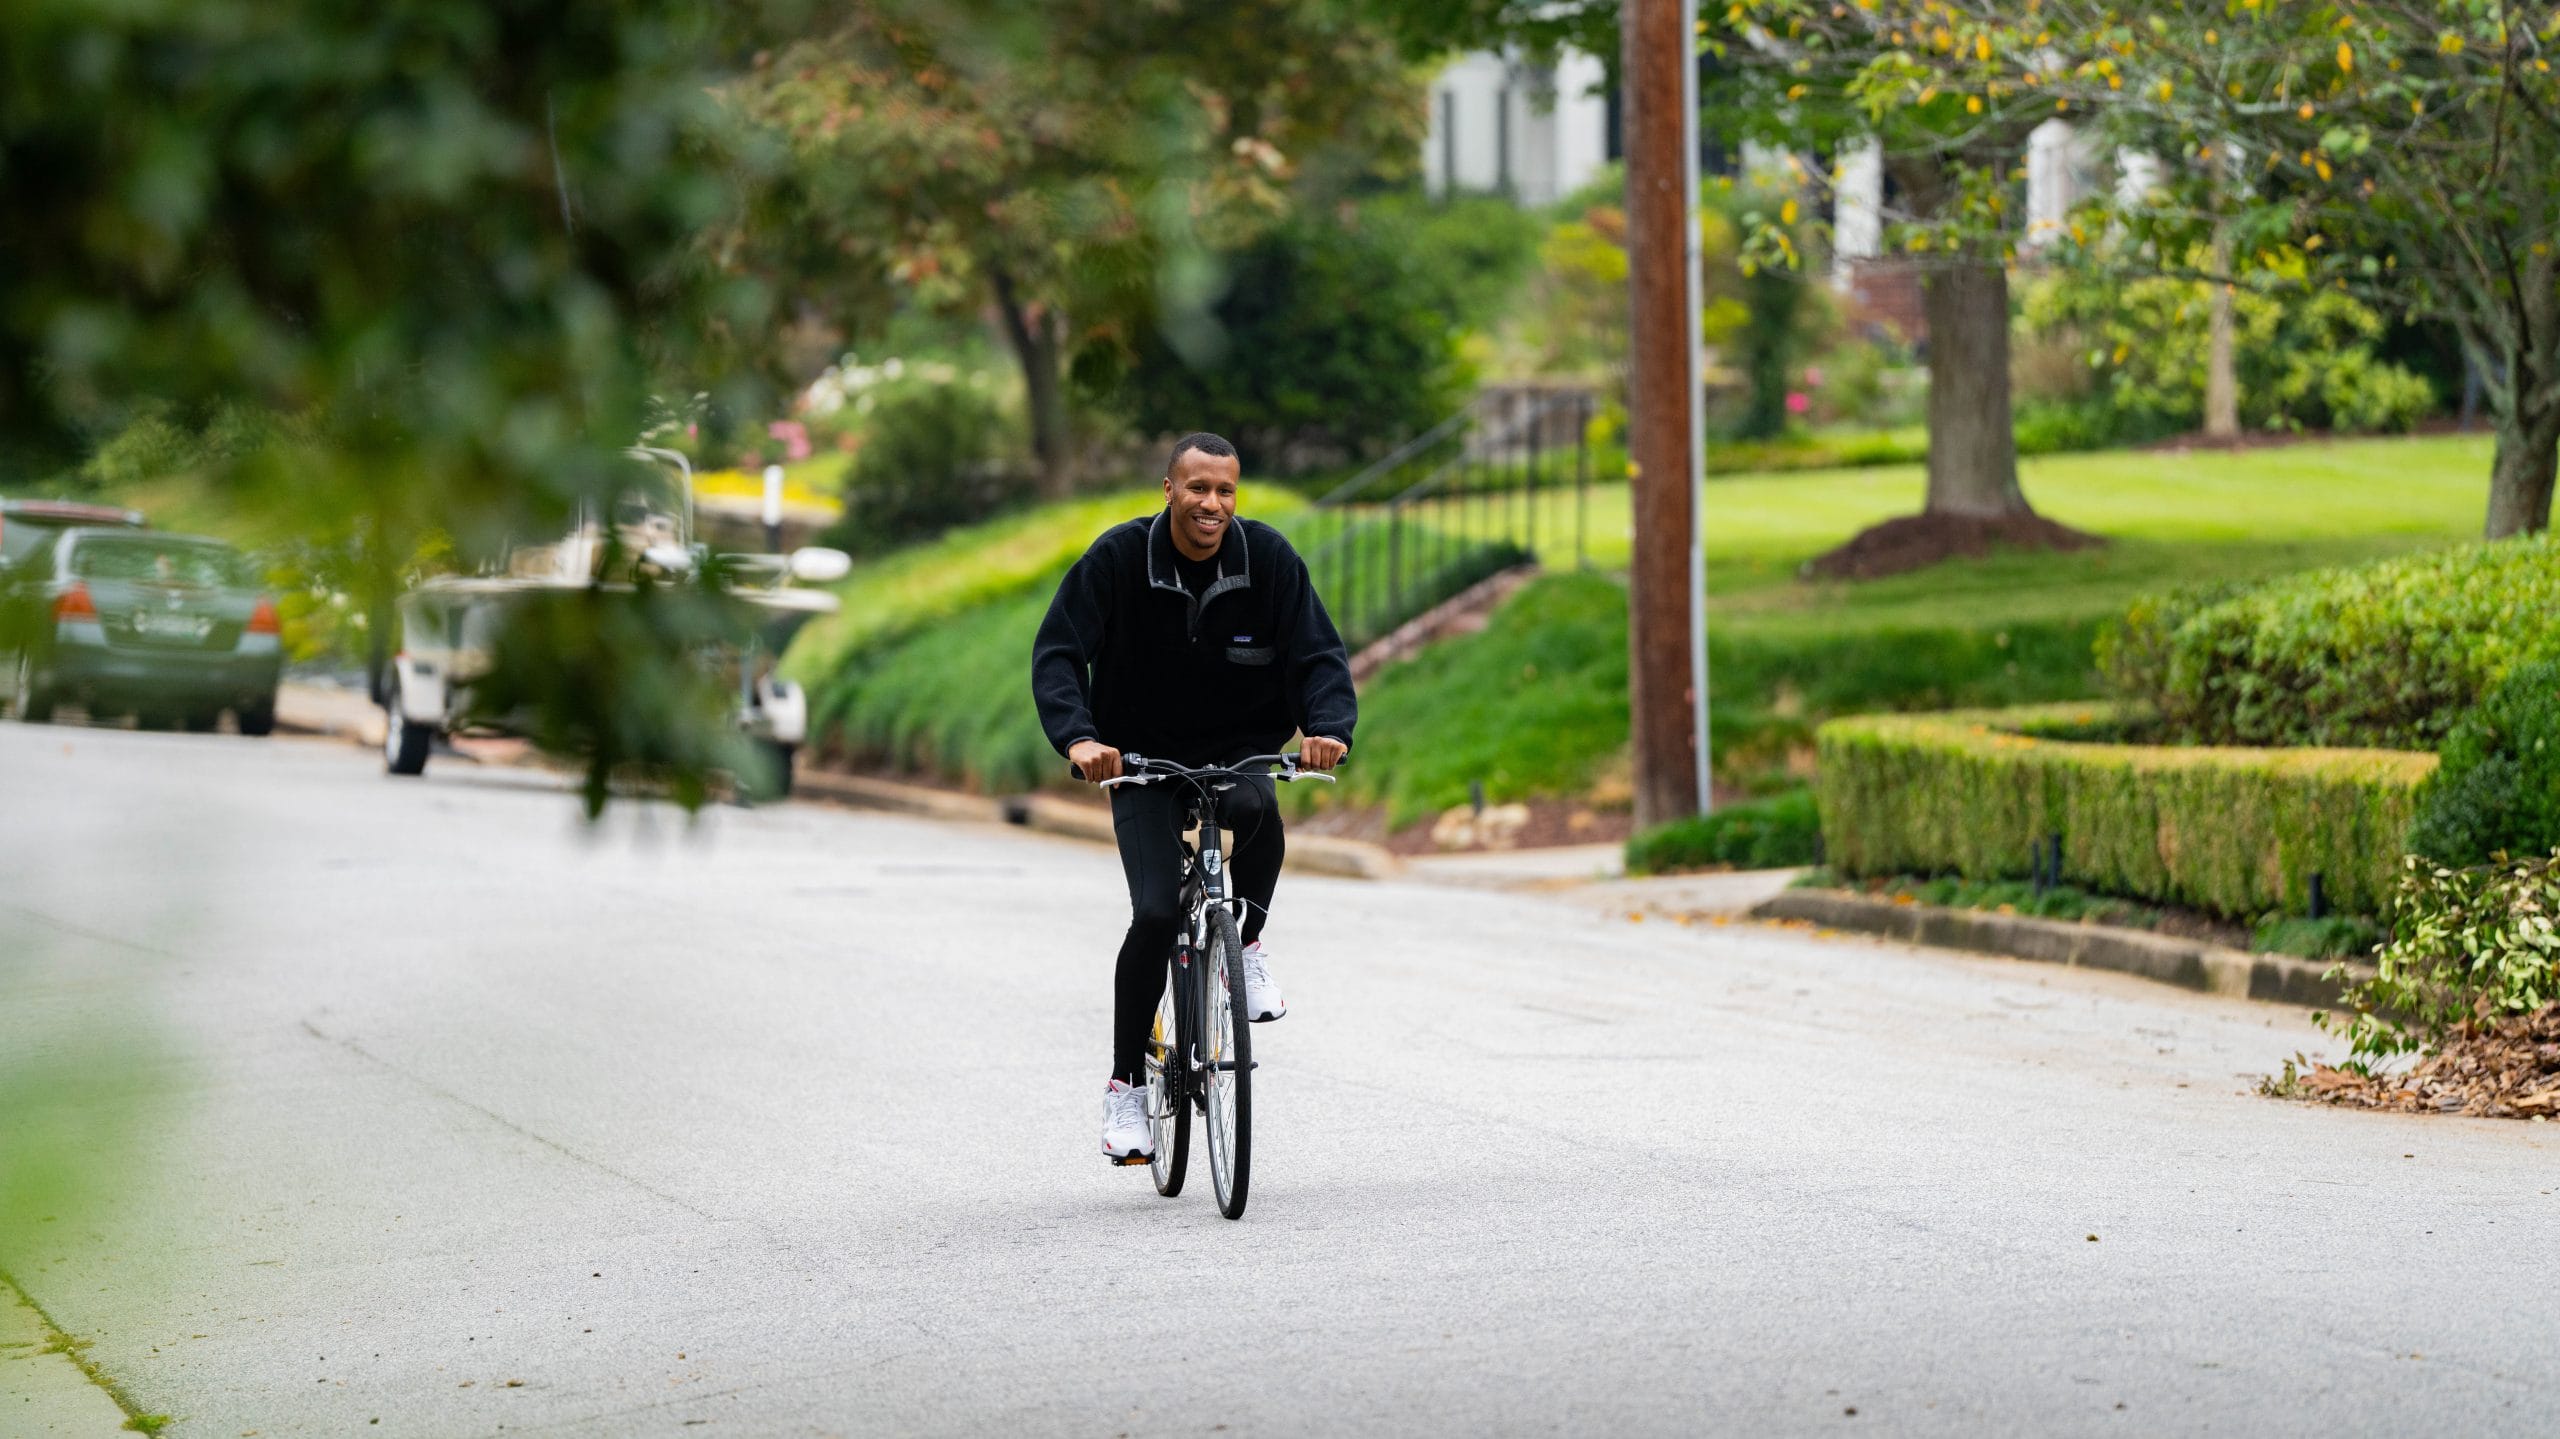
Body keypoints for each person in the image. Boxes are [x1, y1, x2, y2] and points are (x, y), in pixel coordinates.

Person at [1030, 431, 1356, 1165]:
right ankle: (1125, 1090)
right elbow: (1058, 652)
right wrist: (1080, 739)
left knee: (1260, 809)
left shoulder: (1267, 559)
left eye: (1226, 490)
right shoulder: (1118, 559)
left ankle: (1247, 941)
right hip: (1140, 759)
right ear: (1169, 488)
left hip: (1238, 748)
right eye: (1198, 487)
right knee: (1151, 912)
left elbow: (1318, 655)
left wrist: (1327, 727)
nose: (1213, 503)